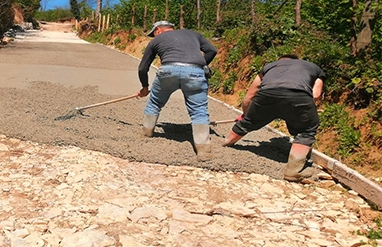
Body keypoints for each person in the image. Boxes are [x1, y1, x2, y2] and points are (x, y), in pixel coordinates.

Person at [223, 54, 326, 182]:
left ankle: (226, 144)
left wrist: (246, 116)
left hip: (267, 95)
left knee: (248, 123)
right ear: (296, 61)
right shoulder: (313, 68)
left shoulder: (270, 66)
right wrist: (300, 111)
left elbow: (249, 96)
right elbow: (315, 95)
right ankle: (294, 171)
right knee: (306, 131)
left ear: (280, 61)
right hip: (299, 96)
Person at [137, 21, 218, 158]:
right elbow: (212, 50)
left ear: (158, 30)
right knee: (199, 110)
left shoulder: (157, 40)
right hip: (195, 73)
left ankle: (146, 133)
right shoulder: (193, 34)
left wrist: (145, 87)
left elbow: (142, 68)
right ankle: (204, 150)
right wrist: (200, 65)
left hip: (168, 71)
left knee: (155, 103)